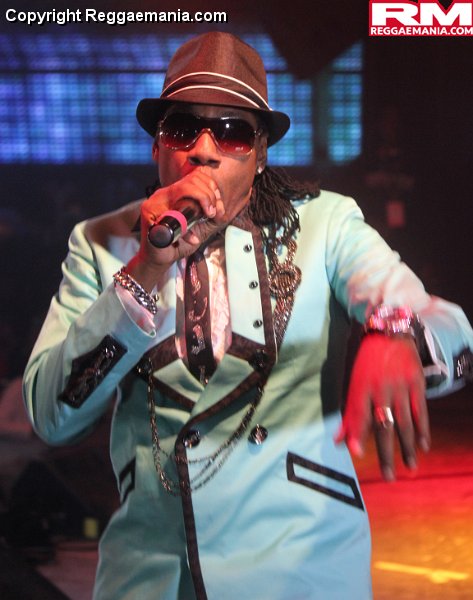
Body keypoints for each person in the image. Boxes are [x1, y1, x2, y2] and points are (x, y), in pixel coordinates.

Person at [23, 32, 473, 600]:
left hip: (298, 572)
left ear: (260, 154)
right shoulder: (100, 243)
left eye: (232, 131)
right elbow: (51, 415)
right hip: (150, 578)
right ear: (157, 146)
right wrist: (145, 270)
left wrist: (396, 335)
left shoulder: (326, 225)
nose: (204, 150)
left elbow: (448, 326)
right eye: (183, 128)